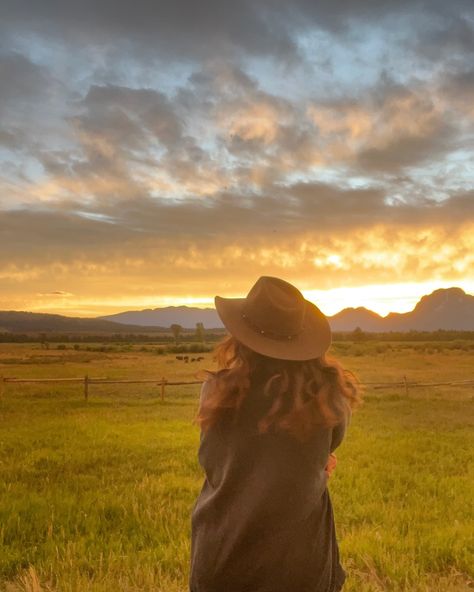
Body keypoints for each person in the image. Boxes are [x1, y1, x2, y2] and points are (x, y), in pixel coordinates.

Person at [189, 276, 360, 592]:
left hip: (222, 556)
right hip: (299, 566)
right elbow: (326, 451)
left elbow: (212, 460)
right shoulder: (329, 398)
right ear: (303, 341)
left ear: (240, 335)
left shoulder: (215, 391)